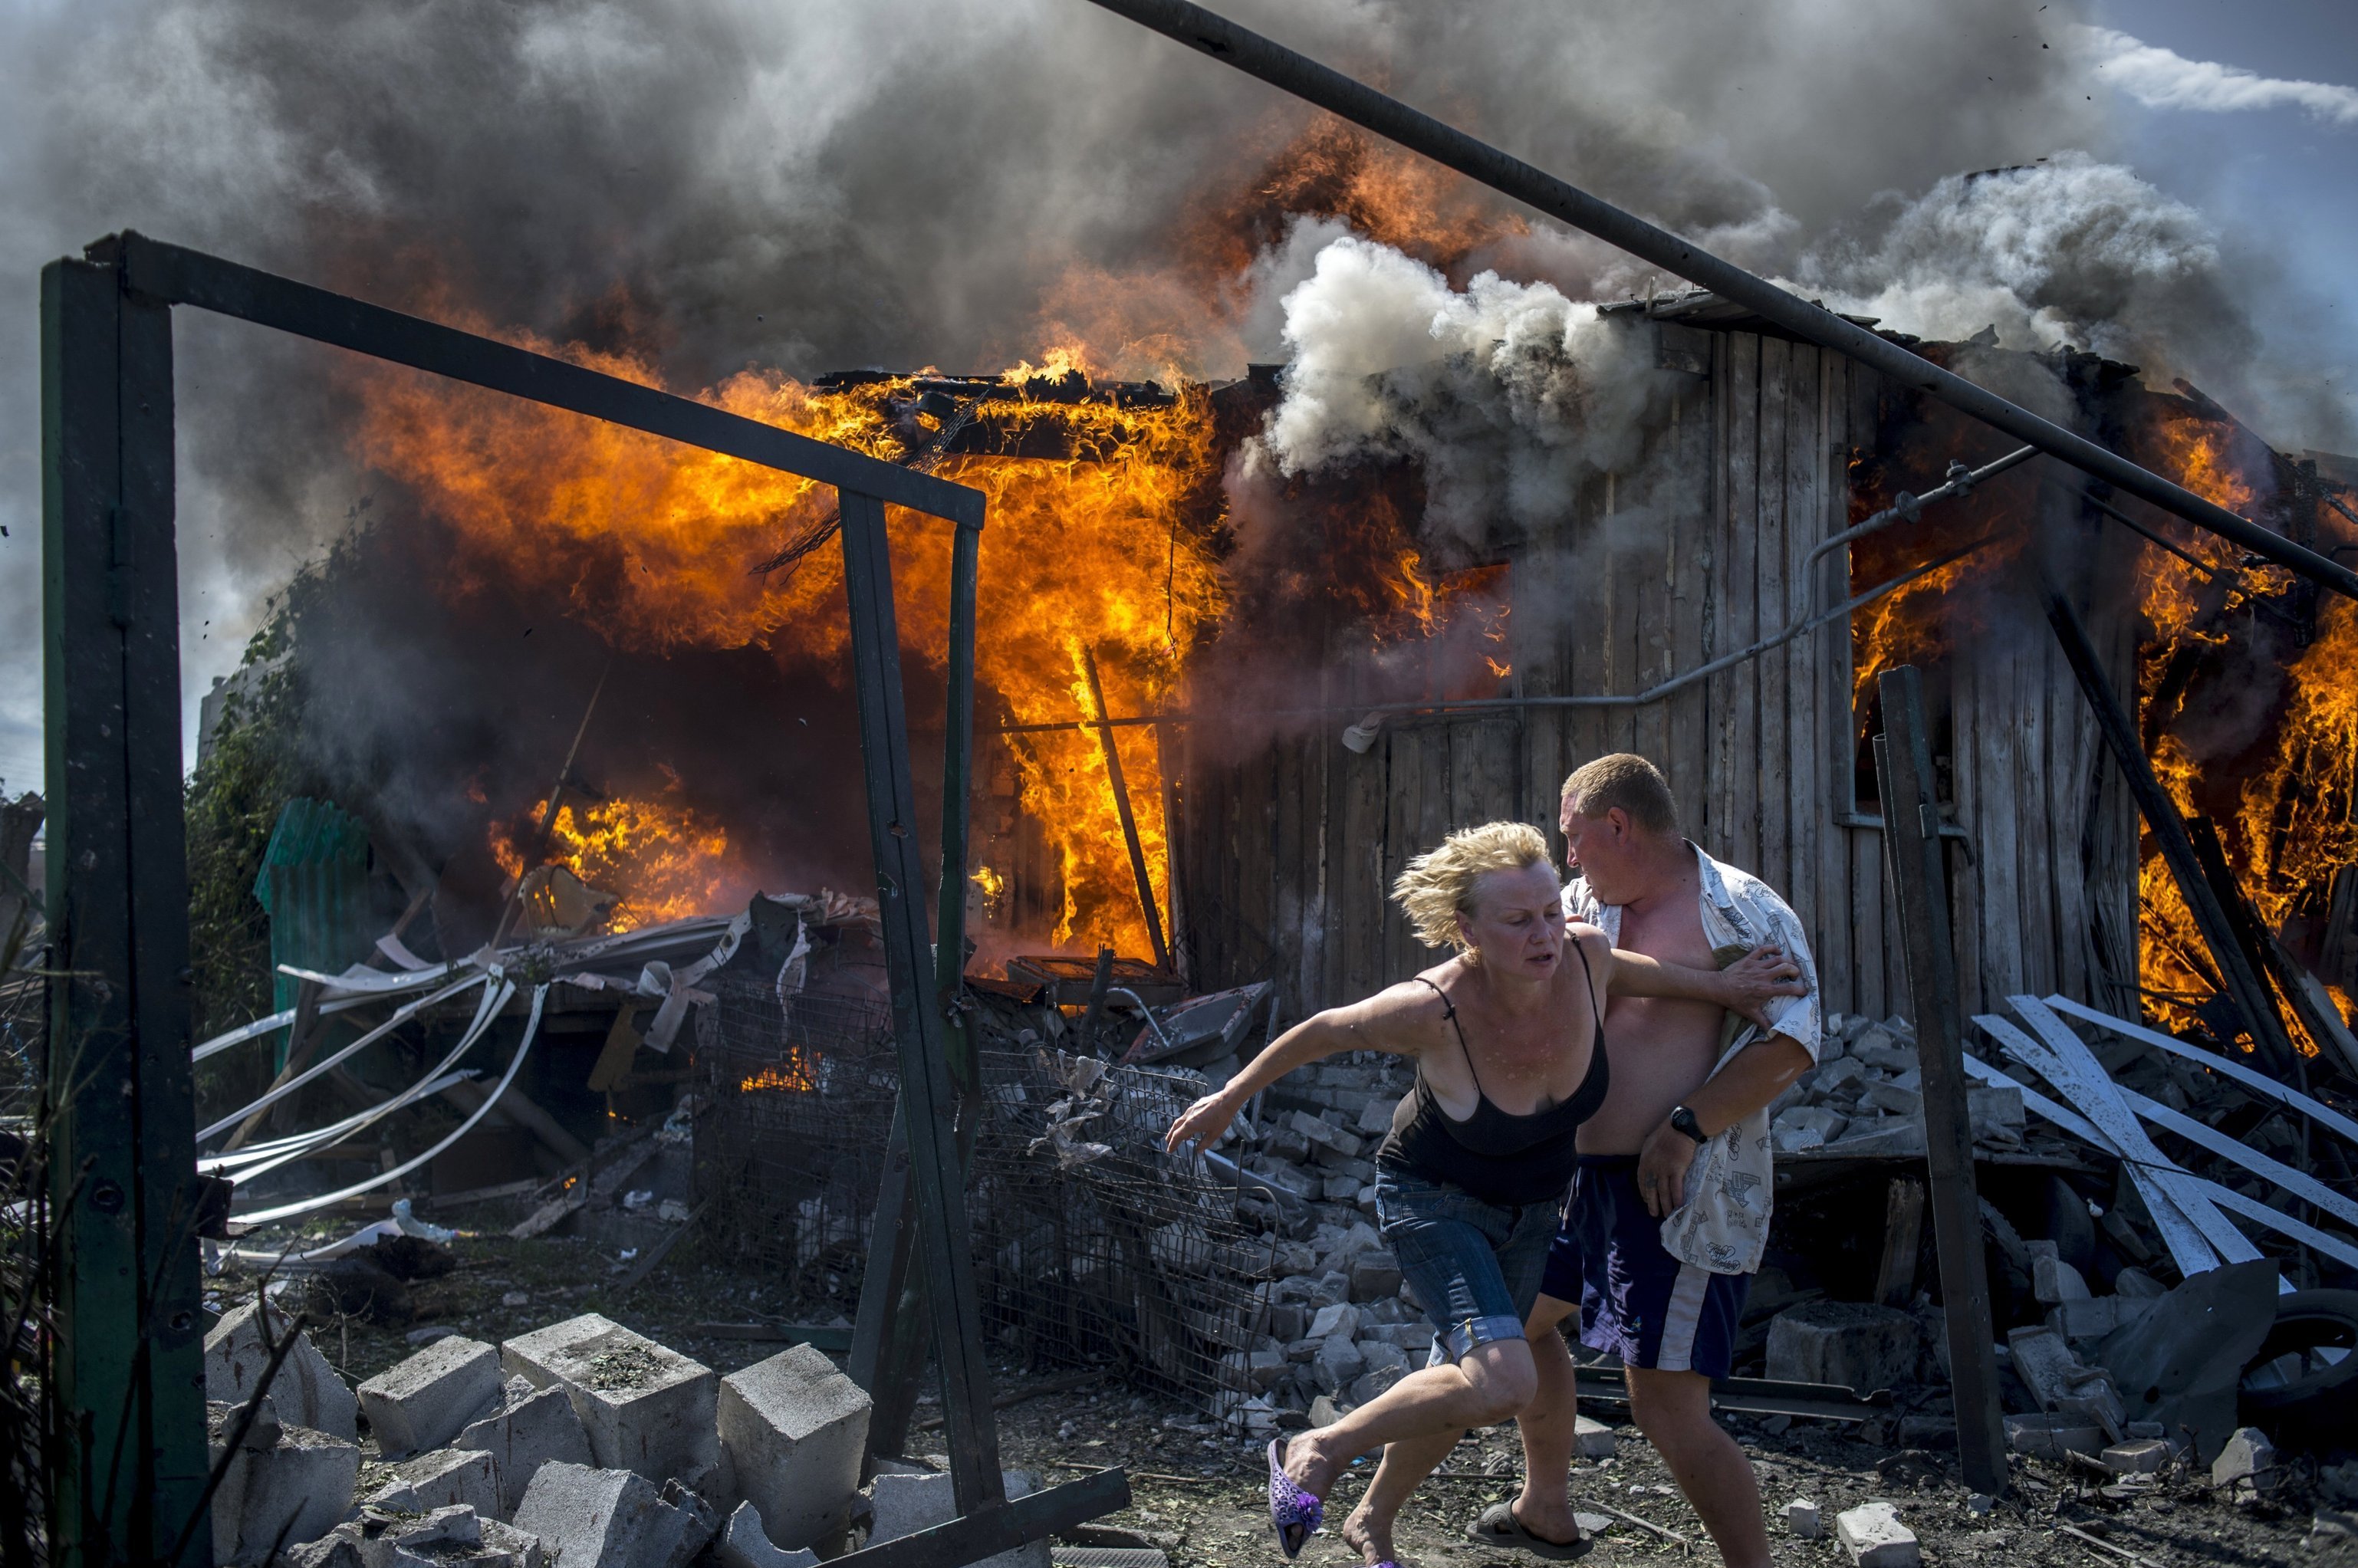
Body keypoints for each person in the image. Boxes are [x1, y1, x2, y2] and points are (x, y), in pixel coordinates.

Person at [1163, 820, 1804, 1564]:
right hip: (1435, 1201)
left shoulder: (1585, 956)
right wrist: (1228, 1097)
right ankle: (1317, 1446)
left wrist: (1722, 985)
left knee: (1481, 1368)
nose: (1547, 934)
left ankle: (1444, 1513)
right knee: (1499, 1377)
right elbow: (1321, 1030)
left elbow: (1638, 971)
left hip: (1535, 1207)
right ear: (1467, 928)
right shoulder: (1430, 1008)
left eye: (1549, 912)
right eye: (1518, 920)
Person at [1506, 754, 1820, 1568]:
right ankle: (1546, 1504)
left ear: (1619, 826)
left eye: (1575, 838)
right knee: (1514, 1324)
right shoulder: (1578, 905)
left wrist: (1685, 1124)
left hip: (1674, 1193)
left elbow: (1794, 1041)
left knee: (1667, 1407)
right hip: (1570, 1185)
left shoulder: (1741, 911)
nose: (1568, 857)